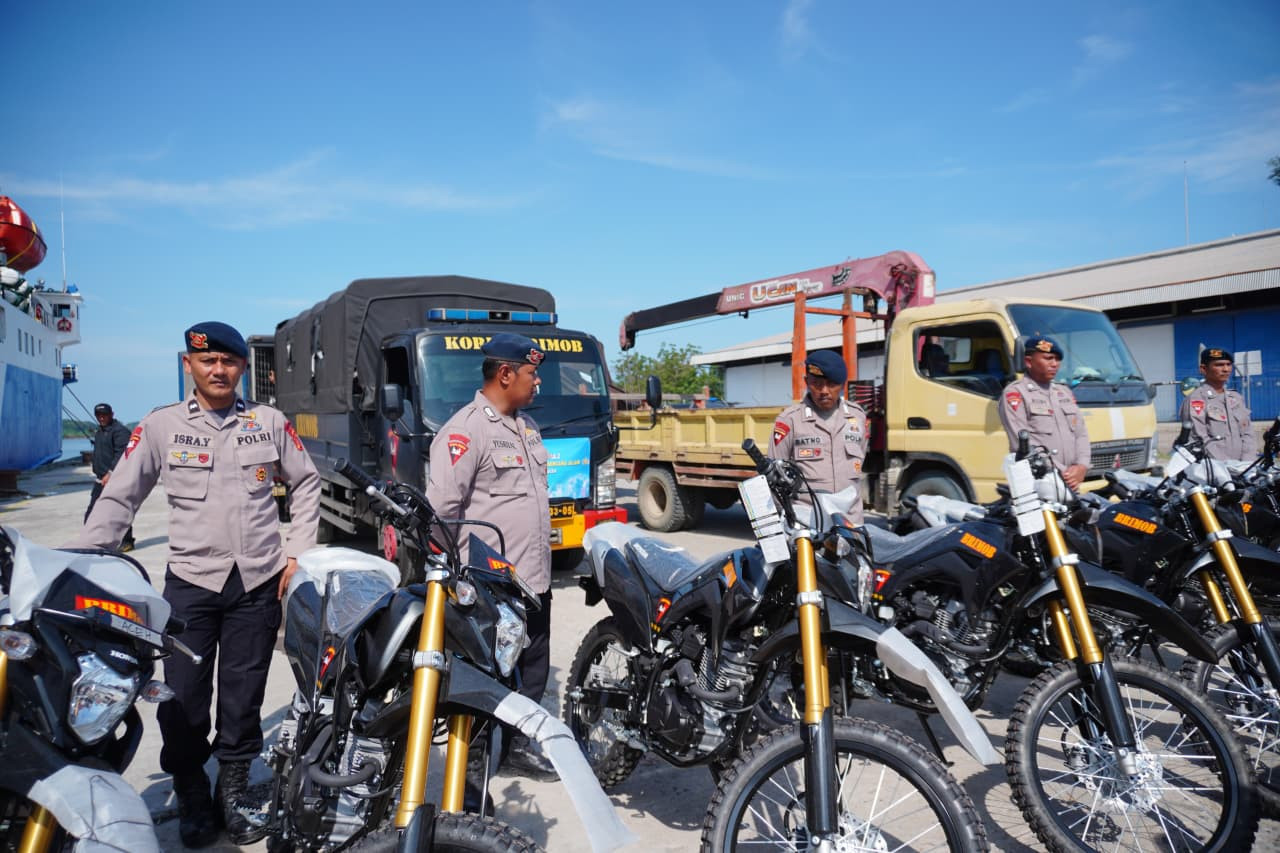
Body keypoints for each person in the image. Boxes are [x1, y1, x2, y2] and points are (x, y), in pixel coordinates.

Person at [71, 322, 320, 848]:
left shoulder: (267, 421)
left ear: (242, 368)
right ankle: (189, 788)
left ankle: (232, 787)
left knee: (243, 691)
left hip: (257, 581)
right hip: (190, 583)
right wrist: (90, 560)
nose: (219, 370)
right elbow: (121, 495)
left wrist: (297, 553)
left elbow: (306, 481)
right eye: (207, 362)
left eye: (229, 362)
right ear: (190, 365)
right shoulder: (162, 427)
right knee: (182, 696)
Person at [426, 332, 558, 780]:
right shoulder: (465, 431)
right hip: (490, 588)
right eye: (531, 373)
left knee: (533, 670)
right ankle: (478, 765)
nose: (537, 382)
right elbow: (442, 515)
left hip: (534, 580)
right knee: (487, 682)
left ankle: (514, 746)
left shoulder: (528, 428)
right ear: (505, 374)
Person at [768, 350, 868, 524]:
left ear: (842, 385)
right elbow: (773, 479)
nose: (824, 391)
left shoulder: (857, 417)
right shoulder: (790, 421)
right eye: (817, 384)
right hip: (807, 522)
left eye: (831, 384)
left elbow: (862, 455)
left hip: (850, 522)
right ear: (807, 382)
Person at [999, 335, 1090, 490]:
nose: (1054, 364)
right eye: (1048, 358)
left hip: (1070, 482)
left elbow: (1081, 434)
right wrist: (1063, 473)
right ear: (1028, 362)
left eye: (1057, 359)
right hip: (1039, 482)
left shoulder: (1064, 392)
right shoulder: (1016, 393)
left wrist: (1081, 466)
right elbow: (1021, 443)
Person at [1179, 347, 1256, 461]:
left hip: (1243, 469)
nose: (1226, 369)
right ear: (1203, 369)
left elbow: (1248, 433)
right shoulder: (1196, 400)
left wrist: (1247, 462)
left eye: (1228, 364)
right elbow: (1198, 438)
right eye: (1219, 365)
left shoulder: (1236, 399)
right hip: (1214, 470)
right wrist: (1226, 466)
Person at [85, 402, 135, 551]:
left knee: (118, 511)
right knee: (92, 511)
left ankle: (127, 541)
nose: (102, 418)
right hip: (100, 479)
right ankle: (90, 540)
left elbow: (122, 454)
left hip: (115, 478)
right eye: (99, 415)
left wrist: (111, 473)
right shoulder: (100, 431)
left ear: (111, 414)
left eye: (105, 415)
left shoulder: (120, 432)